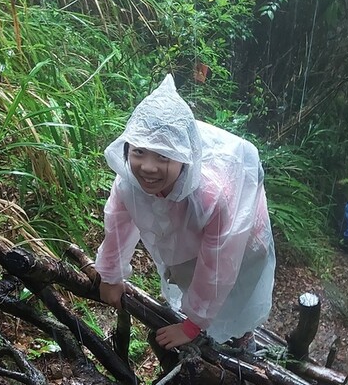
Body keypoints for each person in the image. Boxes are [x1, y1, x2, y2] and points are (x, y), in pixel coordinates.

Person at [94, 74, 276, 351]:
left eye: (163, 156)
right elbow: (118, 226)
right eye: (139, 151)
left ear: (184, 157)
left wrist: (192, 325)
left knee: (234, 303)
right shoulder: (128, 184)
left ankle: (240, 343)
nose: (148, 167)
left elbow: (219, 263)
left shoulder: (210, 196)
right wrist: (110, 276)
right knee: (189, 277)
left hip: (243, 243)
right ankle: (206, 328)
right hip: (200, 243)